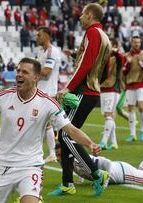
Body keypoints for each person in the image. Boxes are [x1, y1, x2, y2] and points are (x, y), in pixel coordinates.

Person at [0, 58, 102, 203]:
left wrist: (91, 144)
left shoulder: (48, 103)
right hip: (2, 166)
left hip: (30, 167)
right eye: (18, 71)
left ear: (36, 77)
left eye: (25, 72)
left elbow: (71, 130)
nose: (19, 75)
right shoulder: (3, 97)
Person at [49, 3, 111, 197]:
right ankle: (67, 183)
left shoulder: (92, 33)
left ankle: (96, 173)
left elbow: (87, 63)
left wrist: (69, 87)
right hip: (90, 89)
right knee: (63, 133)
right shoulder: (105, 37)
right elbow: (104, 69)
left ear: (91, 15)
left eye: (83, 14)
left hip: (82, 91)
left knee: (67, 135)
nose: (80, 17)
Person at [36, 26, 62, 163]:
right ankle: (52, 153)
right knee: (46, 124)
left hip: (48, 92)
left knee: (47, 123)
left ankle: (54, 152)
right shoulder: (41, 51)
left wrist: (32, 74)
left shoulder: (52, 51)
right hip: (41, 90)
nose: (37, 37)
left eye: (39, 35)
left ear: (46, 36)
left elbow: (46, 72)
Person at [123, 35, 143, 142]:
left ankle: (142, 130)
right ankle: (132, 134)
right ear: (131, 43)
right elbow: (124, 71)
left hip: (141, 84)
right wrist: (128, 63)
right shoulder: (126, 55)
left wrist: (141, 64)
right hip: (130, 84)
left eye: (138, 42)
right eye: (135, 42)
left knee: (141, 107)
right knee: (130, 108)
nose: (137, 44)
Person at [99, 38, 124, 150]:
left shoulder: (117, 57)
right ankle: (114, 143)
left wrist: (114, 50)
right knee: (108, 116)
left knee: (109, 114)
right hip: (103, 88)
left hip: (113, 88)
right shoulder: (103, 58)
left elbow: (121, 57)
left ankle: (103, 142)